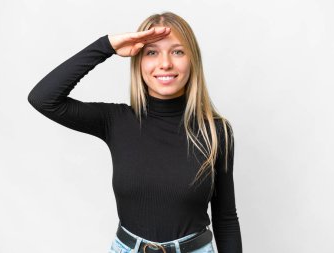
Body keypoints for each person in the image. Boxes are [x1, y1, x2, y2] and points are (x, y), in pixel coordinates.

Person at [28, 11, 242, 253]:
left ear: (192, 60)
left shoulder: (216, 131)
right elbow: (43, 98)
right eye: (152, 52)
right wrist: (106, 45)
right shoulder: (116, 121)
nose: (165, 63)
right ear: (138, 61)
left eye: (177, 51)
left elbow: (225, 218)